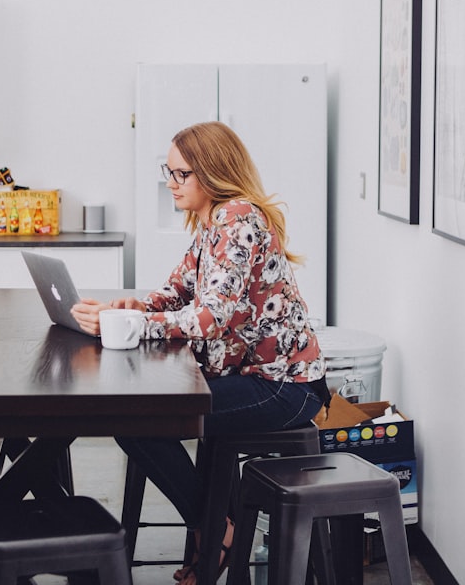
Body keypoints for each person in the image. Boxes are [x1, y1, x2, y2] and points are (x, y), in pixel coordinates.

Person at [71, 121, 329, 585]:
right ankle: (215, 526)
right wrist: (130, 307)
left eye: (180, 174)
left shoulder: (238, 219)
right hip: (253, 376)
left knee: (138, 420)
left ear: (210, 171)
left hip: (283, 386)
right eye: (167, 173)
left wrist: (135, 327)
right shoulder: (212, 224)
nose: (170, 184)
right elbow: (175, 293)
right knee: (136, 418)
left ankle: (215, 530)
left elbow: (213, 316)